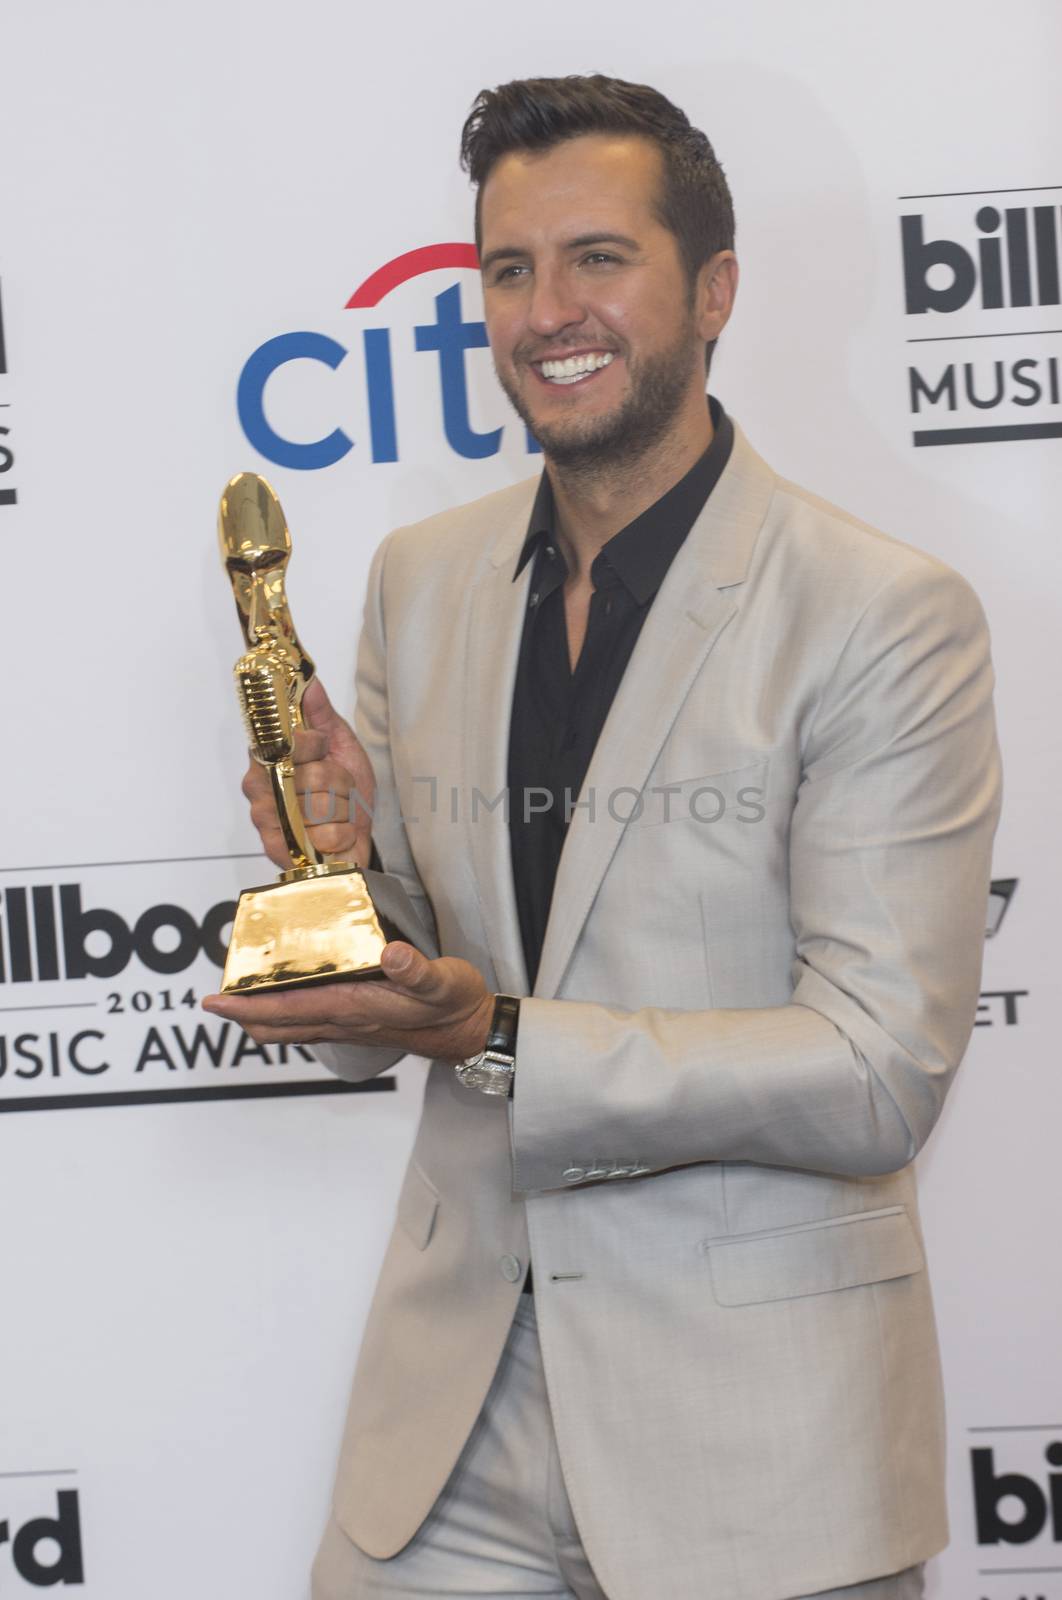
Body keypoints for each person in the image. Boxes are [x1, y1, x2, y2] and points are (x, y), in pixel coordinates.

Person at [204, 75, 1002, 1600]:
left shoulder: (879, 616)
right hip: (444, 1439)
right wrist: (340, 874)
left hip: (757, 1450)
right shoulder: (417, 582)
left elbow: (876, 1069)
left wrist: (497, 1033)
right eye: (507, 269)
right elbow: (388, 1013)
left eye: (596, 259)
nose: (544, 309)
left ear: (711, 293)